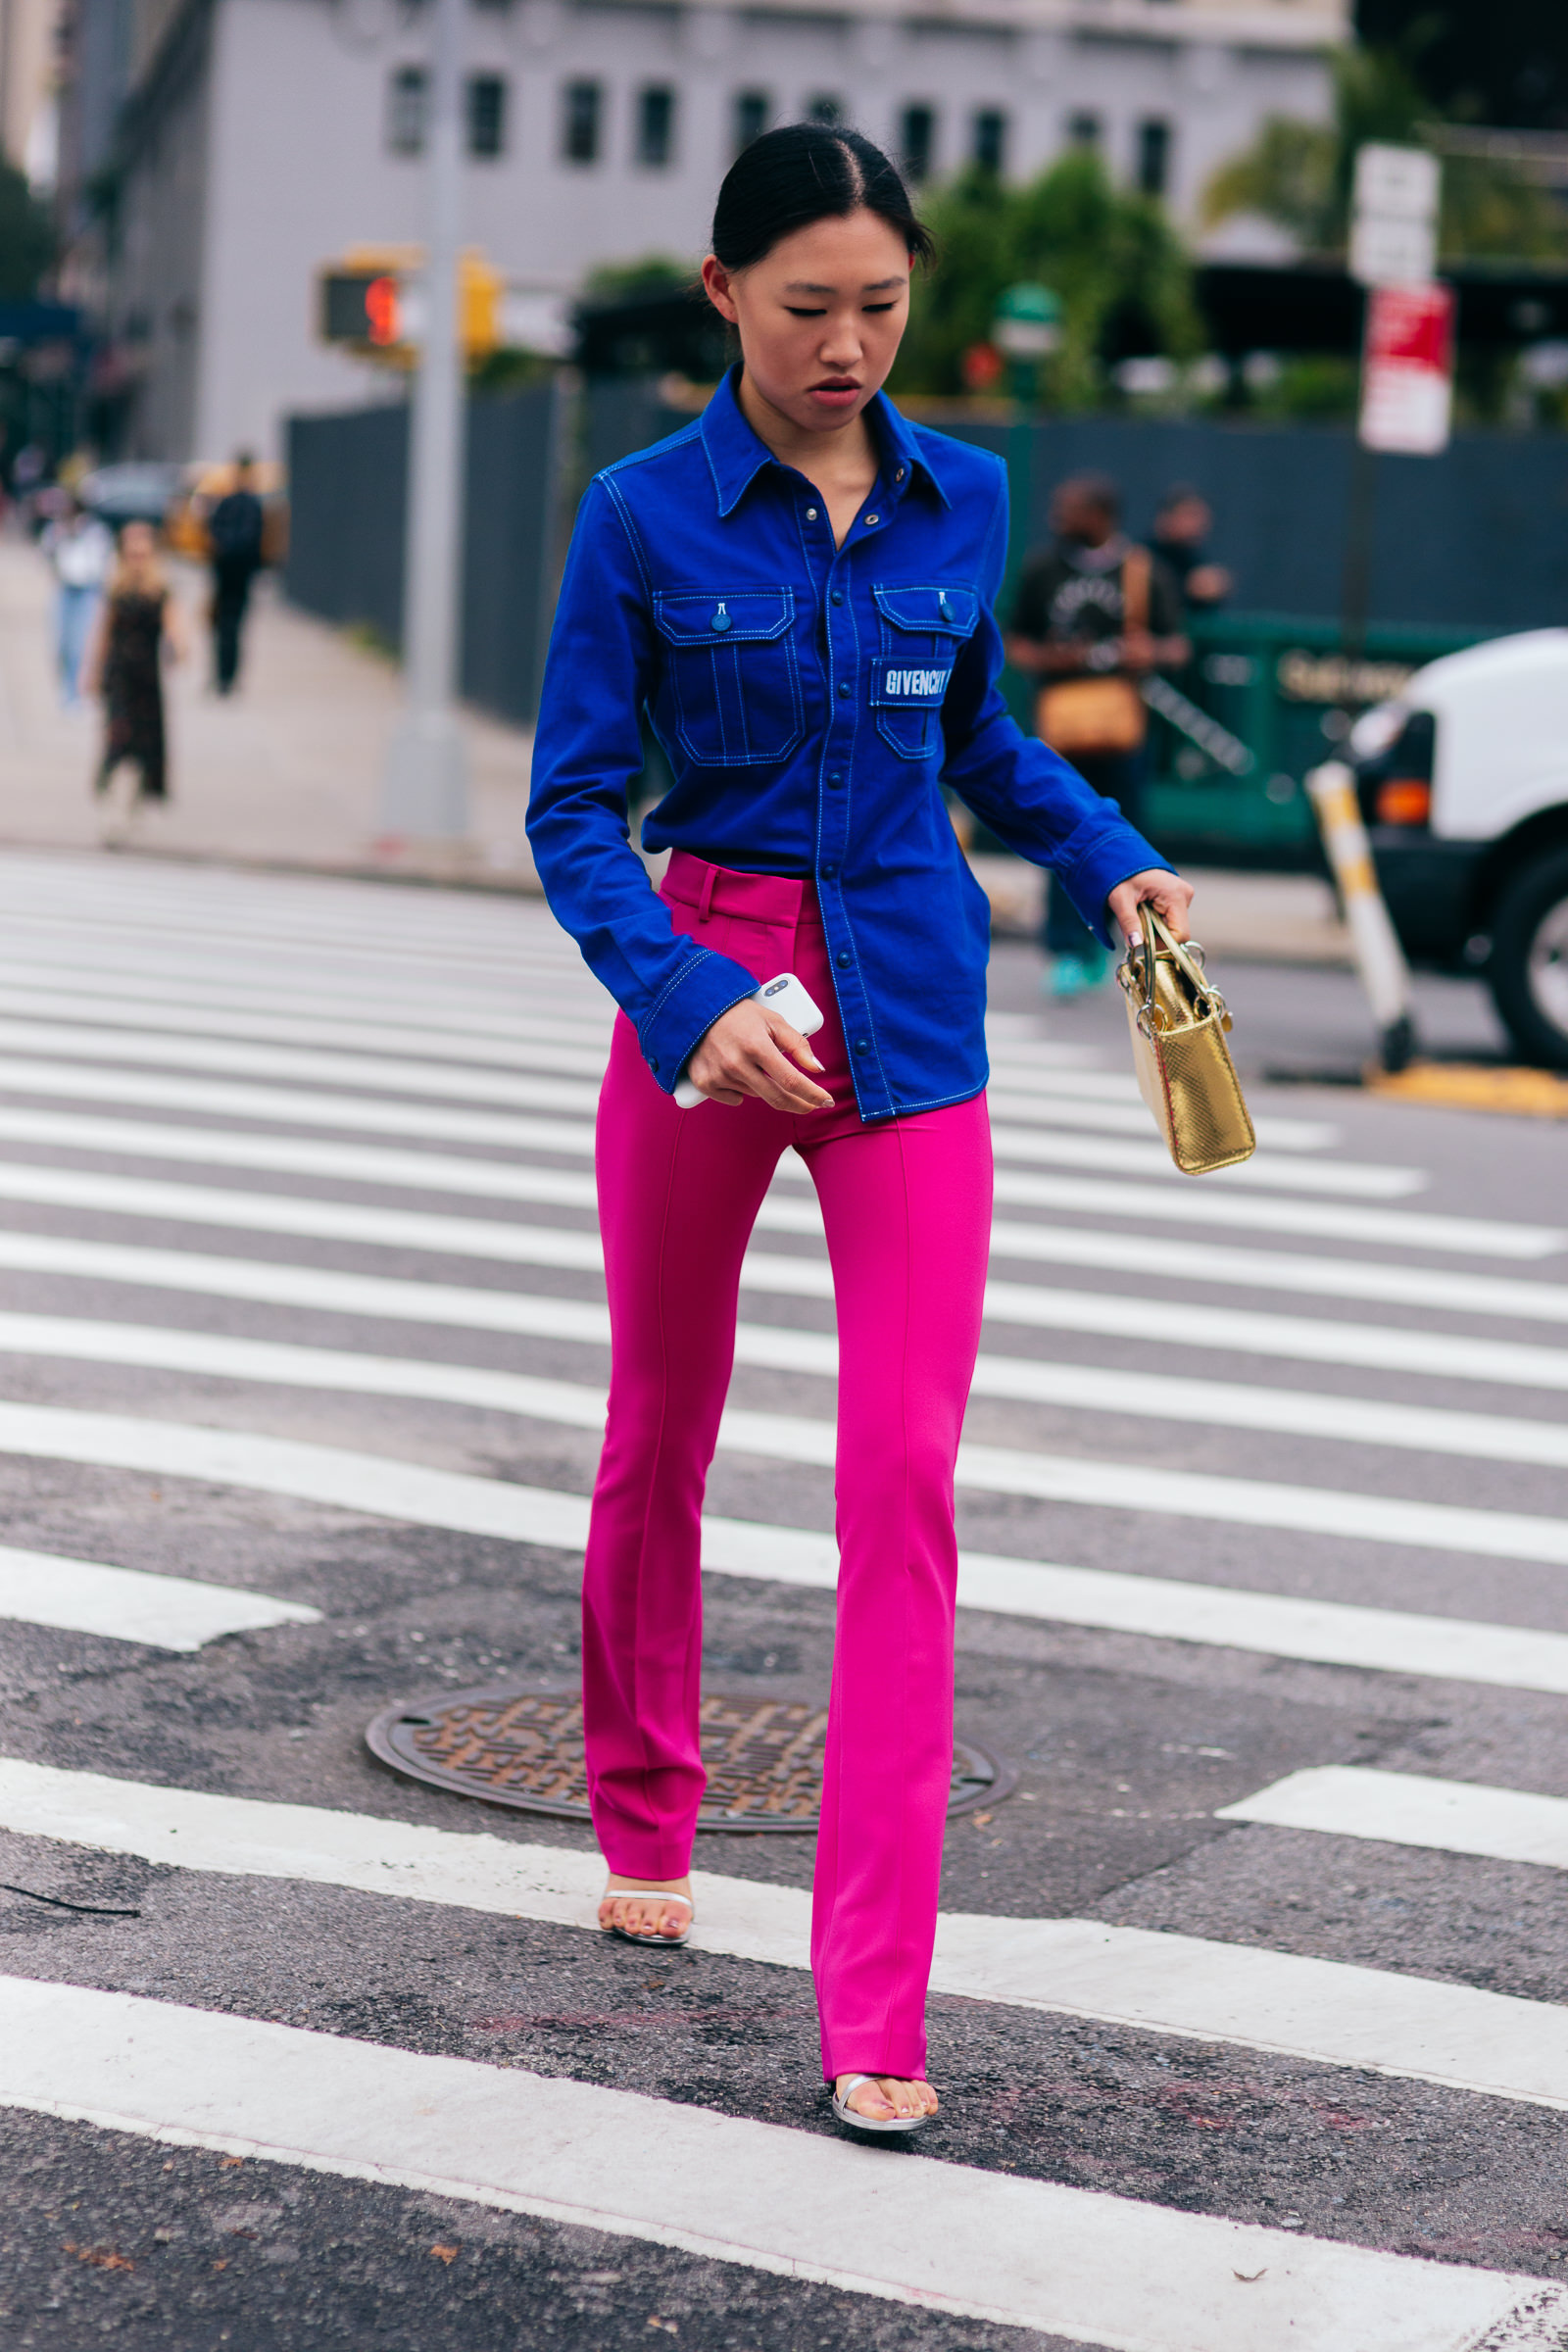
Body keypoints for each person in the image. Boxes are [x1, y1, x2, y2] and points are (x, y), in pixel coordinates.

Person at [527, 123, 1193, 2141]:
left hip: (911, 1009)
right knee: (663, 1423)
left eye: (878, 308)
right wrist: (681, 1002)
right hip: (708, 999)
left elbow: (973, 734)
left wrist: (1109, 863)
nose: (845, 345)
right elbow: (571, 805)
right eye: (805, 305)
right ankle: (645, 1803)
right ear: (720, 292)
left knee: (900, 1471)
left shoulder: (959, 496)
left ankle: (872, 1999)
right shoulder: (639, 515)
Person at [1005, 476, 1189, 996]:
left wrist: (1144, 652)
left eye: (1071, 508)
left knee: (1125, 836)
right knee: (1061, 833)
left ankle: (1127, 943)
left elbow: (1177, 645)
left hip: (1122, 726)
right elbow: (1018, 640)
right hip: (1063, 725)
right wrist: (1051, 659)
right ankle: (1067, 948)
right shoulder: (1044, 568)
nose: (1058, 516)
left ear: (1101, 513)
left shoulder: (1141, 569)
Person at [83, 521, 187, 823]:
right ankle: (113, 795)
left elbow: (176, 630)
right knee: (117, 735)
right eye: (132, 554)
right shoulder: (116, 588)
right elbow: (101, 632)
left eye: (143, 554)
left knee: (145, 740)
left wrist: (178, 648)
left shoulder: (160, 591)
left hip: (146, 676)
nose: (137, 560)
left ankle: (136, 794)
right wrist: (92, 671)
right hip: (119, 675)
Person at [42, 498, 114, 707]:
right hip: (65, 590)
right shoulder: (56, 530)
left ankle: (74, 694)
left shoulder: (96, 532)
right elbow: (46, 554)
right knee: (62, 644)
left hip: (87, 591)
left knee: (79, 645)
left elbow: (102, 561)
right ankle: (66, 687)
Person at [205, 453, 266, 695]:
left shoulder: (233, 504)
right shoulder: (246, 505)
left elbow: (215, 532)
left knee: (227, 628)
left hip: (231, 573)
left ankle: (225, 676)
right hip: (235, 574)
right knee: (229, 627)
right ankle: (225, 676)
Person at [1152, 483, 1232, 613]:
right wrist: (1186, 589)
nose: (1198, 525)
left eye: (1202, 518)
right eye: (1191, 515)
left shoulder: (1195, 560)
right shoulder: (1140, 557)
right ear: (1164, 518)